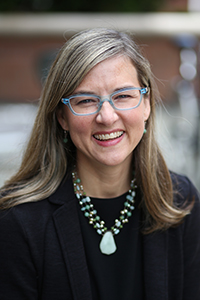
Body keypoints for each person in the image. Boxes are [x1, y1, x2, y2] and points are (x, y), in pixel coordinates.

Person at [0, 28, 199, 300]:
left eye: (123, 96)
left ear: (147, 104)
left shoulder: (180, 200)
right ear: (62, 117)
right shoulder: (18, 221)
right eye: (86, 101)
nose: (107, 116)